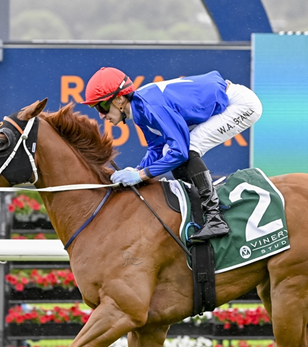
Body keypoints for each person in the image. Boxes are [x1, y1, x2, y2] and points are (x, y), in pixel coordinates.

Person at [81, 67, 262, 241]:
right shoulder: (139, 109)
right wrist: (137, 169)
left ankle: (215, 218)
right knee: (170, 151)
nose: (102, 115)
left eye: (102, 106)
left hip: (240, 105)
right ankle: (199, 210)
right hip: (226, 99)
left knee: (188, 148)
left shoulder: (151, 106)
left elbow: (180, 152)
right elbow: (156, 148)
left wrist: (141, 175)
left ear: (120, 100)